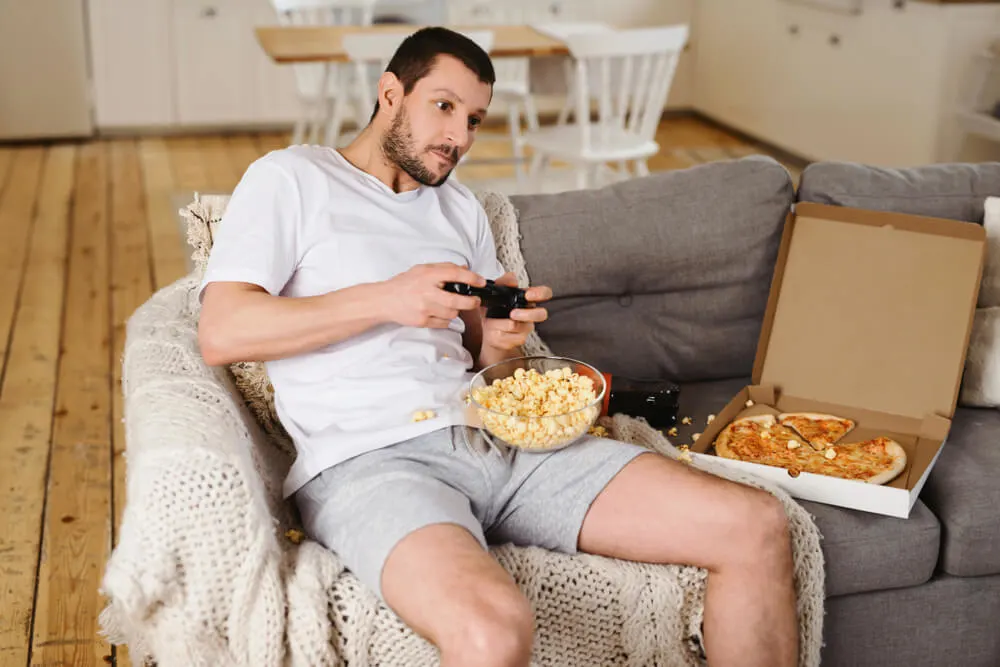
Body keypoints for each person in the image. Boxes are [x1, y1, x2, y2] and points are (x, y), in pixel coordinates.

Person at [197, 26, 798, 667]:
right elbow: (222, 331)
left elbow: (498, 373)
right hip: (372, 464)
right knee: (490, 630)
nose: (460, 137)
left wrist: (499, 346)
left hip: (502, 445)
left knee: (754, 527)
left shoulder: (459, 211)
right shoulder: (294, 178)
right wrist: (385, 298)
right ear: (390, 93)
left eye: (476, 119)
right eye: (444, 106)